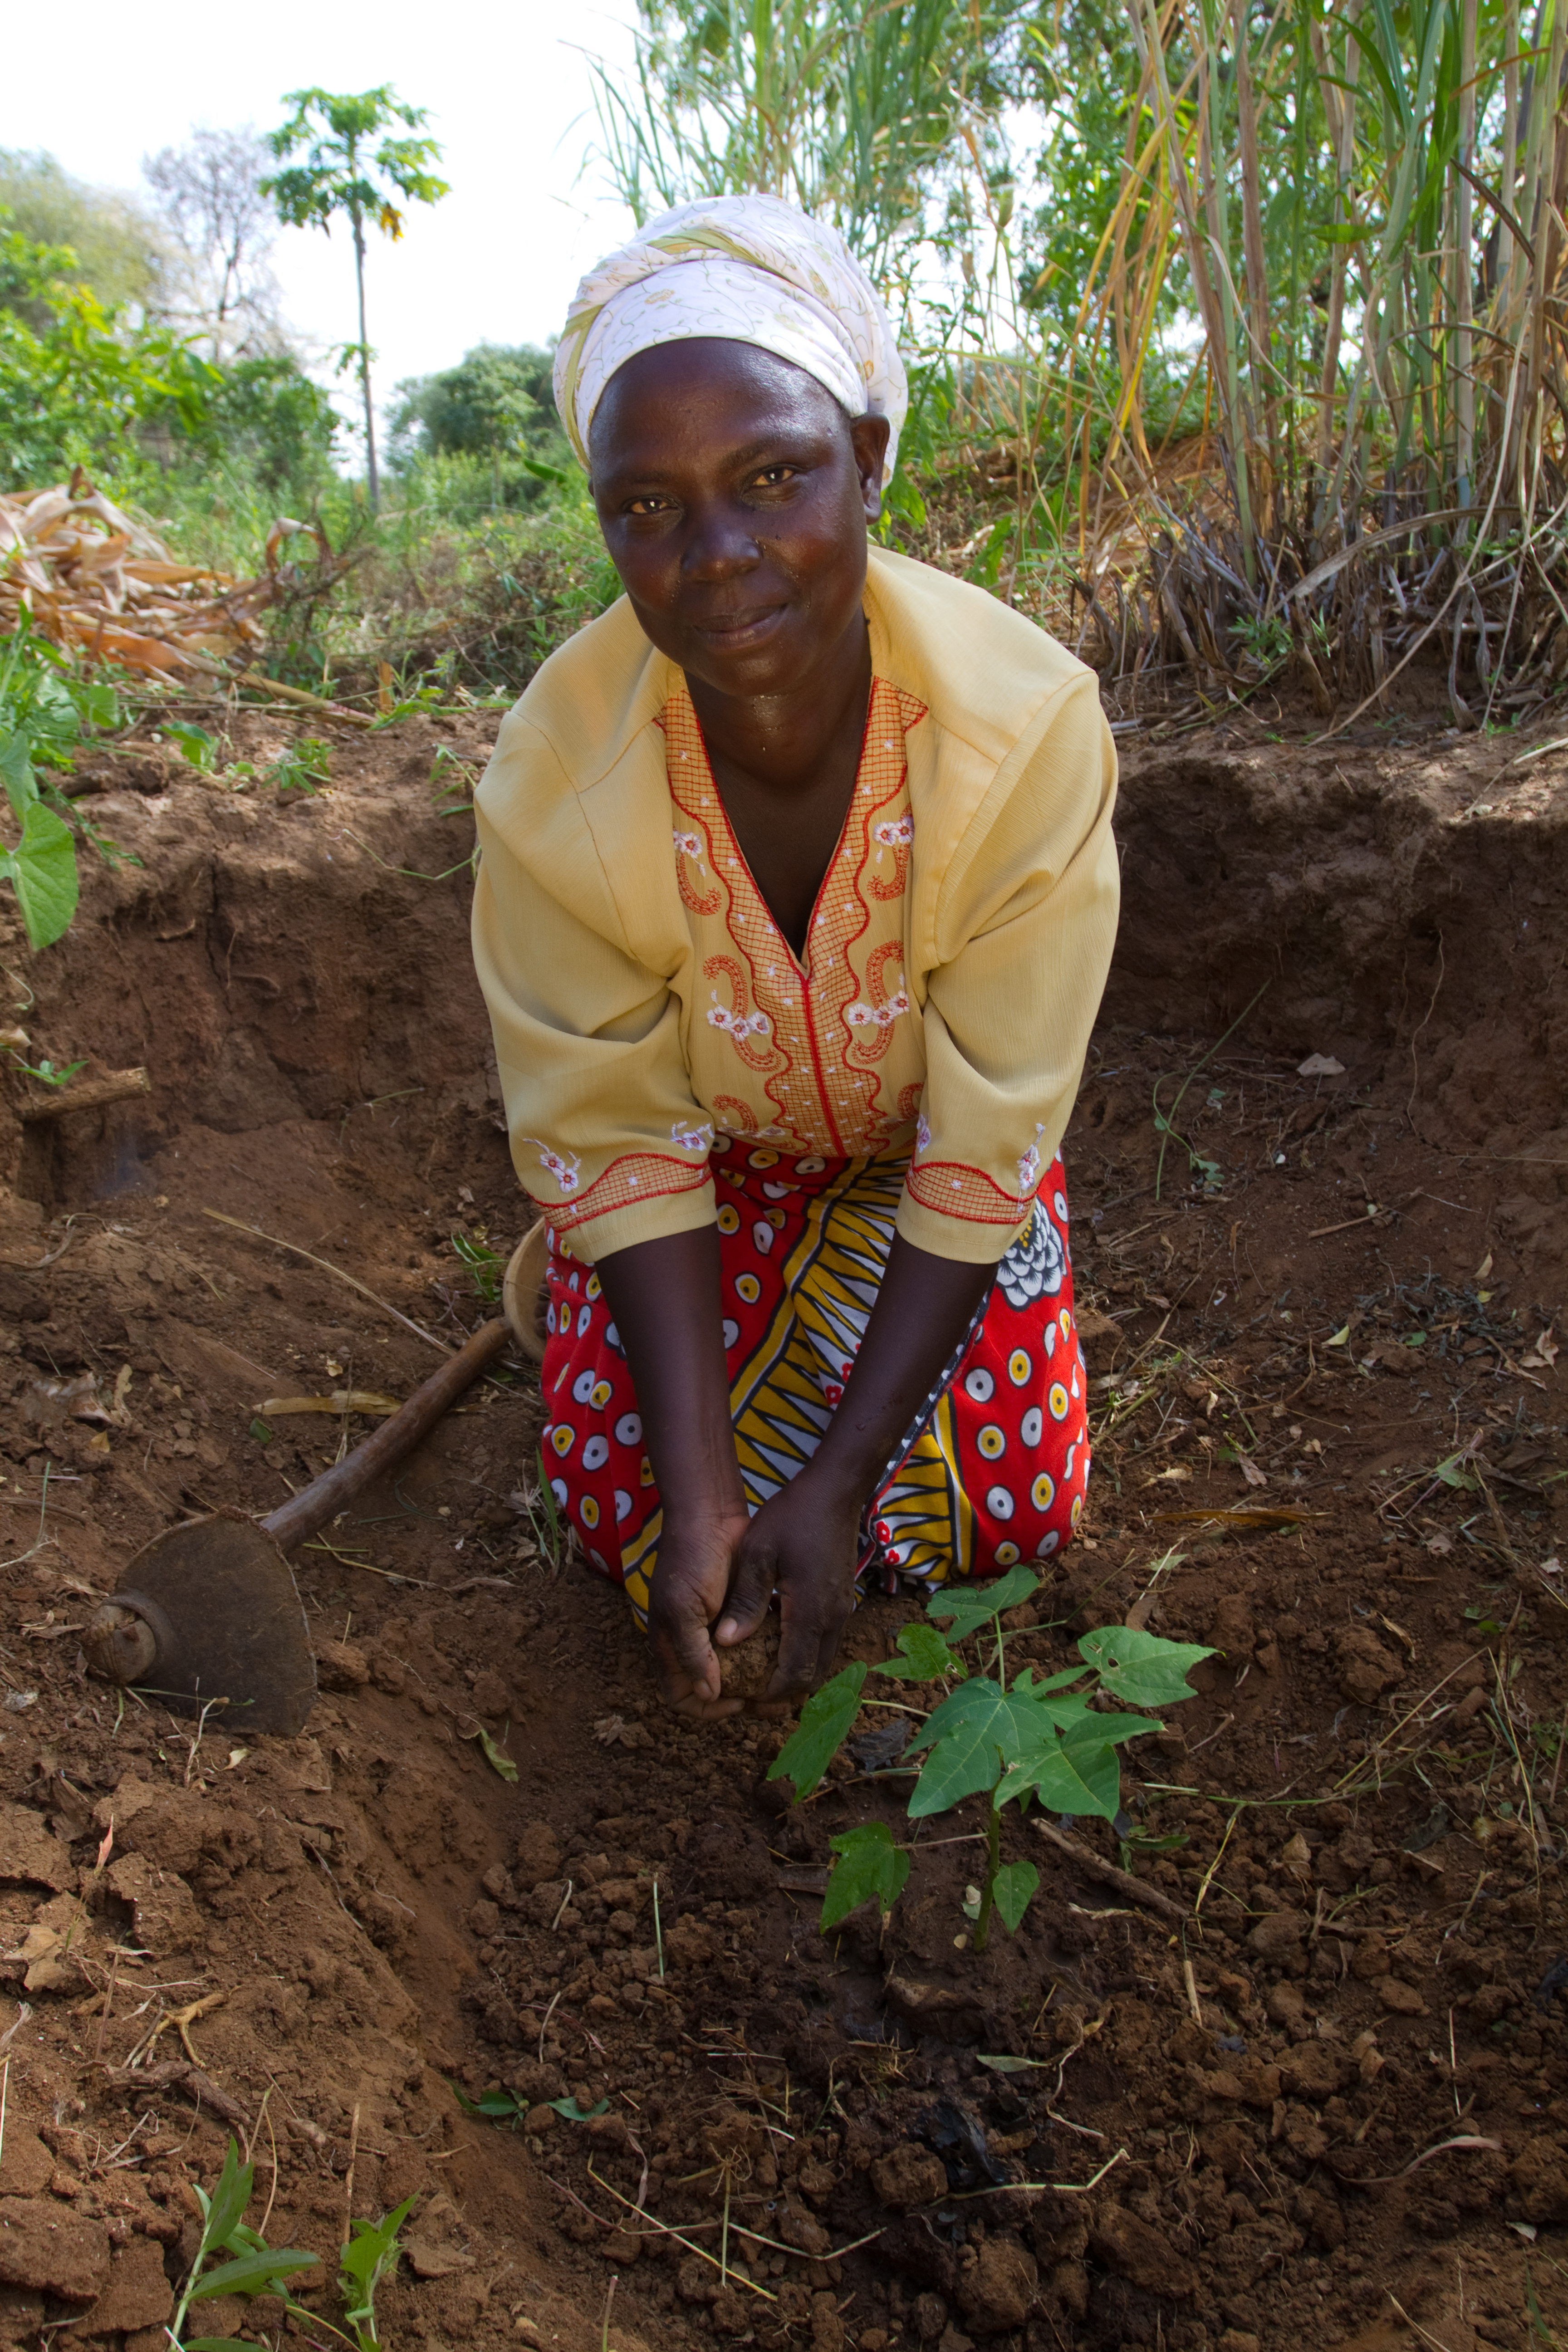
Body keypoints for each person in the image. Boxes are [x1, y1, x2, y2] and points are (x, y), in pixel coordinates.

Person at [471, 194, 1118, 1721]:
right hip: (710, 1173)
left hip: (933, 1168)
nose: (720, 554)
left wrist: (838, 1479)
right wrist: (704, 1501)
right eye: (649, 506)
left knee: (1011, 1495)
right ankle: (683, 1432)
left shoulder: (1024, 731)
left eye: (775, 474)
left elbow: (994, 1119)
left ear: (871, 460)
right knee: (629, 1513)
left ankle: (827, 1469)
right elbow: (621, 1131)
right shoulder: (554, 776)